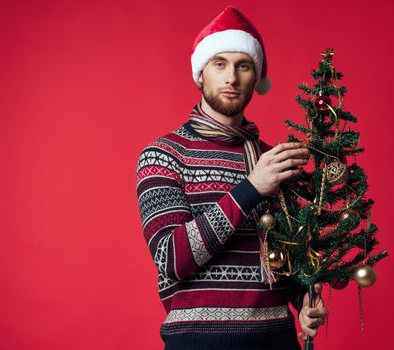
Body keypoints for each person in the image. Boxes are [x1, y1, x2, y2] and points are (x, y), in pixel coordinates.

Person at [136, 6, 326, 350]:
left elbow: (290, 255)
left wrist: (305, 301)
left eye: (244, 65)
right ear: (200, 74)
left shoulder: (273, 159)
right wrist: (252, 187)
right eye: (219, 64)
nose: (231, 78)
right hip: (197, 342)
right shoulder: (163, 155)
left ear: (256, 78)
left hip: (276, 339)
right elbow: (171, 259)